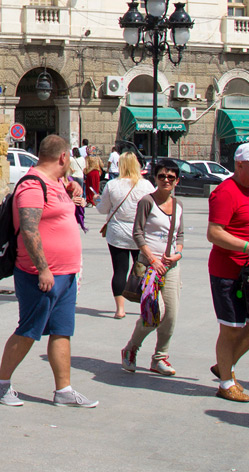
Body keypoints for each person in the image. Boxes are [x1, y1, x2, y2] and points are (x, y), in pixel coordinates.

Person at [0, 134, 96, 408]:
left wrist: (73, 189)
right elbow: (28, 229)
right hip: (41, 275)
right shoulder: (32, 185)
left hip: (66, 274)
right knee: (28, 330)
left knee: (62, 331)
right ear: (63, 157)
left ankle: (64, 389)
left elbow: (62, 207)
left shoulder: (57, 182)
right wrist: (43, 268)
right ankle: (2, 383)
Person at [207, 142, 249, 403]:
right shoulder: (225, 192)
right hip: (228, 272)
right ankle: (225, 381)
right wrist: (247, 246)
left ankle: (225, 364)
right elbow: (214, 233)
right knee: (231, 328)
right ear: (240, 165)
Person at [121, 158, 184, 375]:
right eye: (162, 176)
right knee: (154, 313)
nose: (166, 180)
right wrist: (153, 259)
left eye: (171, 177)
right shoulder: (147, 202)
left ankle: (160, 358)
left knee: (172, 315)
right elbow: (138, 233)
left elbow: (180, 236)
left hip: (171, 267)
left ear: (177, 181)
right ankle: (131, 348)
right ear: (155, 178)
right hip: (150, 267)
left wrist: (177, 255)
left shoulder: (178, 205)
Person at [96, 150, 154, 319]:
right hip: (140, 233)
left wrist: (97, 199)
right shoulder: (146, 185)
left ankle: (120, 309)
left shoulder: (112, 185)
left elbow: (102, 209)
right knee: (141, 270)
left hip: (118, 233)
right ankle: (144, 306)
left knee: (119, 270)